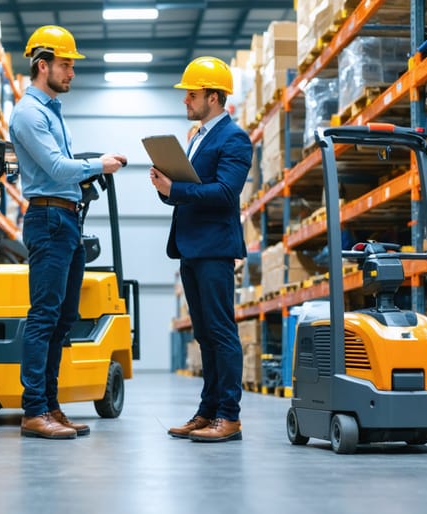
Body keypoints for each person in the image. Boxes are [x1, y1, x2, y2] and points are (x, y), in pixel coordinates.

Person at [9, 25, 127, 439]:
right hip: (47, 220)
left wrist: (88, 173)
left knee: (64, 318)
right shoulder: (29, 114)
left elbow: (61, 167)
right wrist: (100, 165)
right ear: (43, 66)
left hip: (67, 220)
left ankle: (52, 406)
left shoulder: (53, 112)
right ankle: (33, 410)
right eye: (65, 64)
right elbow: (57, 168)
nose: (72, 72)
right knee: (43, 316)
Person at [149, 56, 252, 442]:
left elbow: (226, 193)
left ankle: (229, 415)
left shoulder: (234, 138)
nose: (185, 101)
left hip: (214, 248)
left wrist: (175, 190)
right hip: (192, 247)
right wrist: (166, 187)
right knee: (205, 334)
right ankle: (207, 411)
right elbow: (186, 195)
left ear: (213, 96)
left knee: (221, 332)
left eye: (191, 95)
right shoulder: (197, 137)